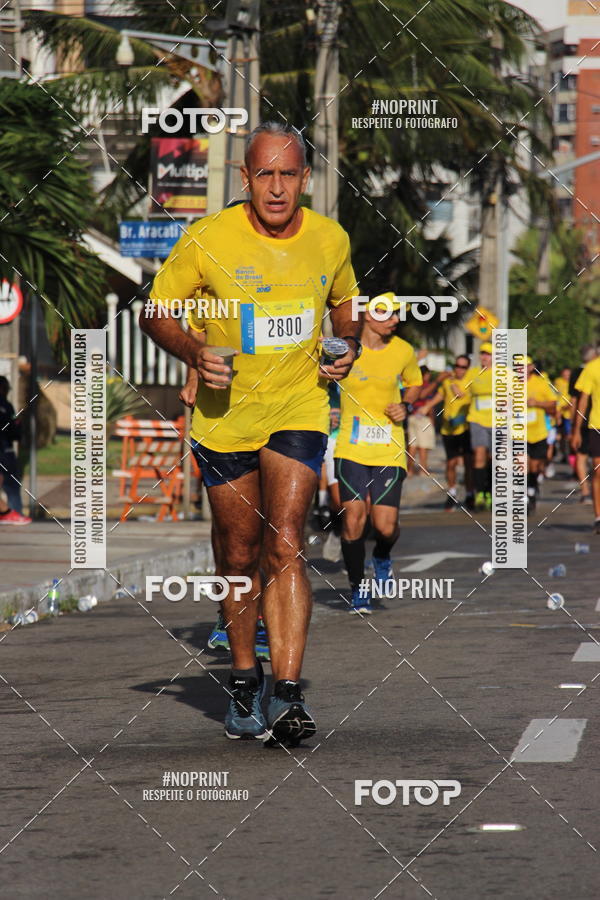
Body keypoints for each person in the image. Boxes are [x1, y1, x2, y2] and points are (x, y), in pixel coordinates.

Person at [141, 122, 361, 745]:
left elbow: (345, 303)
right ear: (245, 179)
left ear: (304, 179)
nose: (276, 187)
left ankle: (288, 696)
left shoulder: (329, 238)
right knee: (238, 552)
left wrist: (342, 345)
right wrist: (193, 352)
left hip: (298, 406)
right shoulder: (208, 238)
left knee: (286, 537)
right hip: (225, 414)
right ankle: (244, 678)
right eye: (264, 174)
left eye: (288, 174)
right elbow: (154, 312)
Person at [333, 293, 422, 614]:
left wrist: (405, 405)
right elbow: (319, 376)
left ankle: (382, 555)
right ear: (367, 316)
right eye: (387, 314)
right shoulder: (345, 348)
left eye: (397, 314)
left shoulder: (403, 351)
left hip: (388, 447)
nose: (395, 319)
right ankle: (358, 589)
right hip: (350, 446)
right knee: (354, 519)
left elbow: (414, 383)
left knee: (385, 526)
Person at [419, 355, 474, 511]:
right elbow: (438, 396)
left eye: (463, 367)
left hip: (465, 428)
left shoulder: (472, 382)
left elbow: (463, 396)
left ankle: (470, 494)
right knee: (451, 463)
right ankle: (452, 492)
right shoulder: (447, 382)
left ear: (468, 368)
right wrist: (426, 406)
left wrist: (456, 388)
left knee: (468, 463)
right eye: (457, 365)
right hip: (448, 428)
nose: (459, 369)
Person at [572, 353, 600, 533]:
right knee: (598, 468)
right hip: (597, 425)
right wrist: (576, 430)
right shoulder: (592, 367)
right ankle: (598, 517)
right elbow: (582, 400)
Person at [525, 358, 557, 514]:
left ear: (531, 367)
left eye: (525, 366)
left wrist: (536, 403)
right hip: (518, 432)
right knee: (522, 465)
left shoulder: (541, 383)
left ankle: (532, 488)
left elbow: (553, 403)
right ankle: (526, 494)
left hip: (538, 432)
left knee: (535, 466)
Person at [466, 342, 494, 511]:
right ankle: (479, 492)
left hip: (498, 421)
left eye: (488, 354)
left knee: (494, 459)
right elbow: (463, 390)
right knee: (479, 455)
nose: (484, 356)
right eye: (482, 353)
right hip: (477, 419)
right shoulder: (473, 373)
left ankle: (490, 491)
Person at [0, 376, 31, 525]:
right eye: (5, 388)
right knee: (11, 484)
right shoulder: (6, 405)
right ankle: (13, 513)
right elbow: (14, 430)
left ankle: (9, 513)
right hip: (4, 449)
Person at [569, 346, 597, 505]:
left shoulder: (576, 372)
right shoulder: (589, 371)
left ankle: (586, 491)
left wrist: (573, 424)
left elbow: (574, 399)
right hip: (590, 420)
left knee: (582, 456)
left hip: (584, 419)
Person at [406, 365, 438, 475]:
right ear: (426, 374)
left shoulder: (413, 385)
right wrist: (432, 419)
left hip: (412, 416)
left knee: (412, 445)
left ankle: (409, 470)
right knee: (423, 445)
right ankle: (423, 470)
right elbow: (429, 404)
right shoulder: (427, 386)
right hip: (423, 418)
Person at [553, 366, 572, 463]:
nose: (566, 376)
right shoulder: (558, 382)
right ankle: (561, 453)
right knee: (558, 435)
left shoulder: (573, 382)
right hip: (559, 411)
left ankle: (568, 454)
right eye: (564, 374)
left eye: (568, 375)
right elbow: (556, 395)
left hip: (569, 413)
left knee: (568, 436)